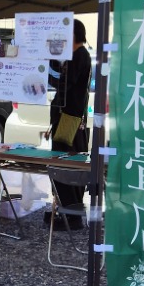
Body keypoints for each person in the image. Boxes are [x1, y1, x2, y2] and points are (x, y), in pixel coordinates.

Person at [47, 19, 92, 228]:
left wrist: (45, 69)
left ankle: (71, 216)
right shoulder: (77, 56)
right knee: (64, 164)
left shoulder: (79, 55)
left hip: (69, 120)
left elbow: (63, 84)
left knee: (62, 165)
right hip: (70, 119)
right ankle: (68, 213)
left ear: (72, 35)